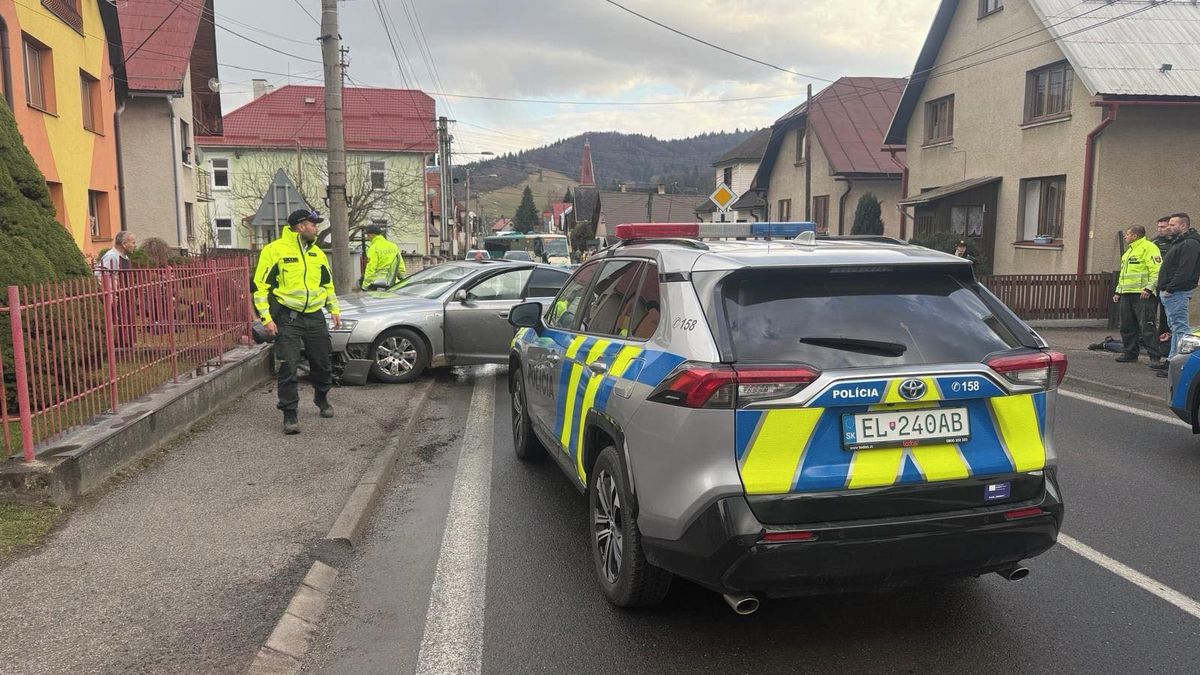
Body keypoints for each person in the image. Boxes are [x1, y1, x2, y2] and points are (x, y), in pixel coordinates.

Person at [253, 209, 341, 434]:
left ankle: (322, 397)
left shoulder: (317, 253)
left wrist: (334, 309)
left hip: (315, 315)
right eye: (313, 224)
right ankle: (290, 414)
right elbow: (260, 287)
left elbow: (327, 284)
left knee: (322, 362)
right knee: (288, 366)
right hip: (288, 317)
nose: (316, 228)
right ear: (300, 226)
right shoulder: (274, 251)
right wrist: (266, 318)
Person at [1154, 213, 1200, 372]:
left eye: (1173, 225)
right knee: (1175, 328)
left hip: (1176, 292)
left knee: (1180, 328)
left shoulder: (1189, 243)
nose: (1169, 227)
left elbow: (1184, 270)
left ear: (1183, 226)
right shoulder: (1181, 242)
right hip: (1172, 291)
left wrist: (1170, 288)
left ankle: (1178, 365)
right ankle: (1171, 360)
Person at [1112, 225, 1161, 363]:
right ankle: (1130, 353)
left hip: (1143, 294)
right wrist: (1118, 291)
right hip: (1127, 294)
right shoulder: (1129, 252)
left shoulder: (1149, 247)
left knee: (1146, 325)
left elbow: (1157, 270)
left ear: (1135, 236)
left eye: (1127, 234)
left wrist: (1149, 288)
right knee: (1127, 325)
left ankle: (1154, 356)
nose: (1125, 237)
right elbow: (1124, 275)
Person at [1151, 215, 1176, 356]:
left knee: (1167, 317)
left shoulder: (1178, 242)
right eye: (1158, 227)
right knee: (1150, 314)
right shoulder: (1154, 243)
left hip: (1171, 285)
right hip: (1155, 284)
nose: (1159, 229)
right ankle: (1150, 341)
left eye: (1163, 227)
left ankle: (1165, 342)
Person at [360, 223, 404, 290]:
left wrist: (365, 286)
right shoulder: (393, 246)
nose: (367, 237)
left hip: (378, 284)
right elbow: (400, 265)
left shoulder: (373, 248)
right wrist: (401, 278)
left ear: (372, 235)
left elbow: (371, 268)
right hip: (393, 282)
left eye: (367, 235)